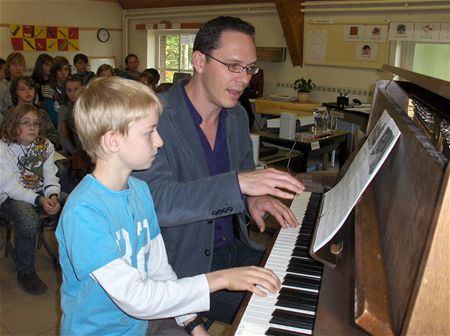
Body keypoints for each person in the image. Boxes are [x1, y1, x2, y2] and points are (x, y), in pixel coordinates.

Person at [56, 76, 281, 336]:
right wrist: (222, 278)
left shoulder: (139, 191)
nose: (160, 141)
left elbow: (160, 270)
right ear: (112, 141)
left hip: (140, 326)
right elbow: (136, 298)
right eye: (150, 131)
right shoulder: (84, 212)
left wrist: (192, 324)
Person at [132, 16, 305, 324]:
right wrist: (239, 184)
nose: (244, 79)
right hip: (181, 268)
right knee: (284, 315)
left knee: (303, 285)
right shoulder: (153, 117)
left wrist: (254, 200)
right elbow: (156, 203)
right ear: (199, 60)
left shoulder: (236, 116)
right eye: (233, 66)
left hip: (234, 248)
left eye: (250, 68)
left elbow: (244, 175)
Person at [0, 103, 67, 295]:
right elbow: (10, 187)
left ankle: (71, 257)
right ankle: (26, 272)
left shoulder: (44, 145)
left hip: (41, 193)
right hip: (11, 197)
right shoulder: (3, 148)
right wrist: (40, 201)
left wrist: (52, 195)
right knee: (29, 221)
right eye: (26, 123)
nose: (32, 128)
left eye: (36, 124)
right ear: (14, 125)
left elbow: (51, 175)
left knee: (75, 204)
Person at [7, 76, 61, 149]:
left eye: (30, 88)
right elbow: (6, 137)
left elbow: (54, 134)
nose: (28, 92)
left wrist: (45, 145)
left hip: (42, 151)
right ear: (15, 93)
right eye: (22, 89)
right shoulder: (10, 114)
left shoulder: (42, 113)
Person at [42, 56, 71, 126]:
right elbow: (52, 115)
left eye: (66, 69)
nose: (63, 73)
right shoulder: (48, 88)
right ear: (54, 71)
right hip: (57, 126)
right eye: (59, 70)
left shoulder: (72, 87)